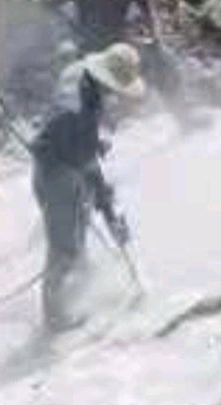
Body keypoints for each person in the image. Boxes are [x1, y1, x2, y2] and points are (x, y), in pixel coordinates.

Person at [31, 42, 144, 332]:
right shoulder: (79, 111)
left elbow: (75, 137)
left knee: (77, 228)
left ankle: (81, 279)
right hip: (56, 177)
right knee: (63, 248)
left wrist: (90, 142)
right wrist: (107, 207)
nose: (115, 95)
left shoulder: (77, 71)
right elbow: (91, 171)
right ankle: (54, 317)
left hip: (59, 158)